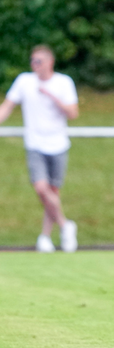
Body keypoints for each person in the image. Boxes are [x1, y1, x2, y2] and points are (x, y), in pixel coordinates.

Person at [0, 45, 79, 253]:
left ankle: (45, 237)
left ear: (50, 62)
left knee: (52, 192)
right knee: (41, 188)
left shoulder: (63, 82)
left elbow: (73, 113)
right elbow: (7, 106)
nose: (35, 65)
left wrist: (52, 96)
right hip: (35, 144)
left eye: (39, 61)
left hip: (58, 144)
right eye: (32, 61)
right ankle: (65, 225)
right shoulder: (24, 81)